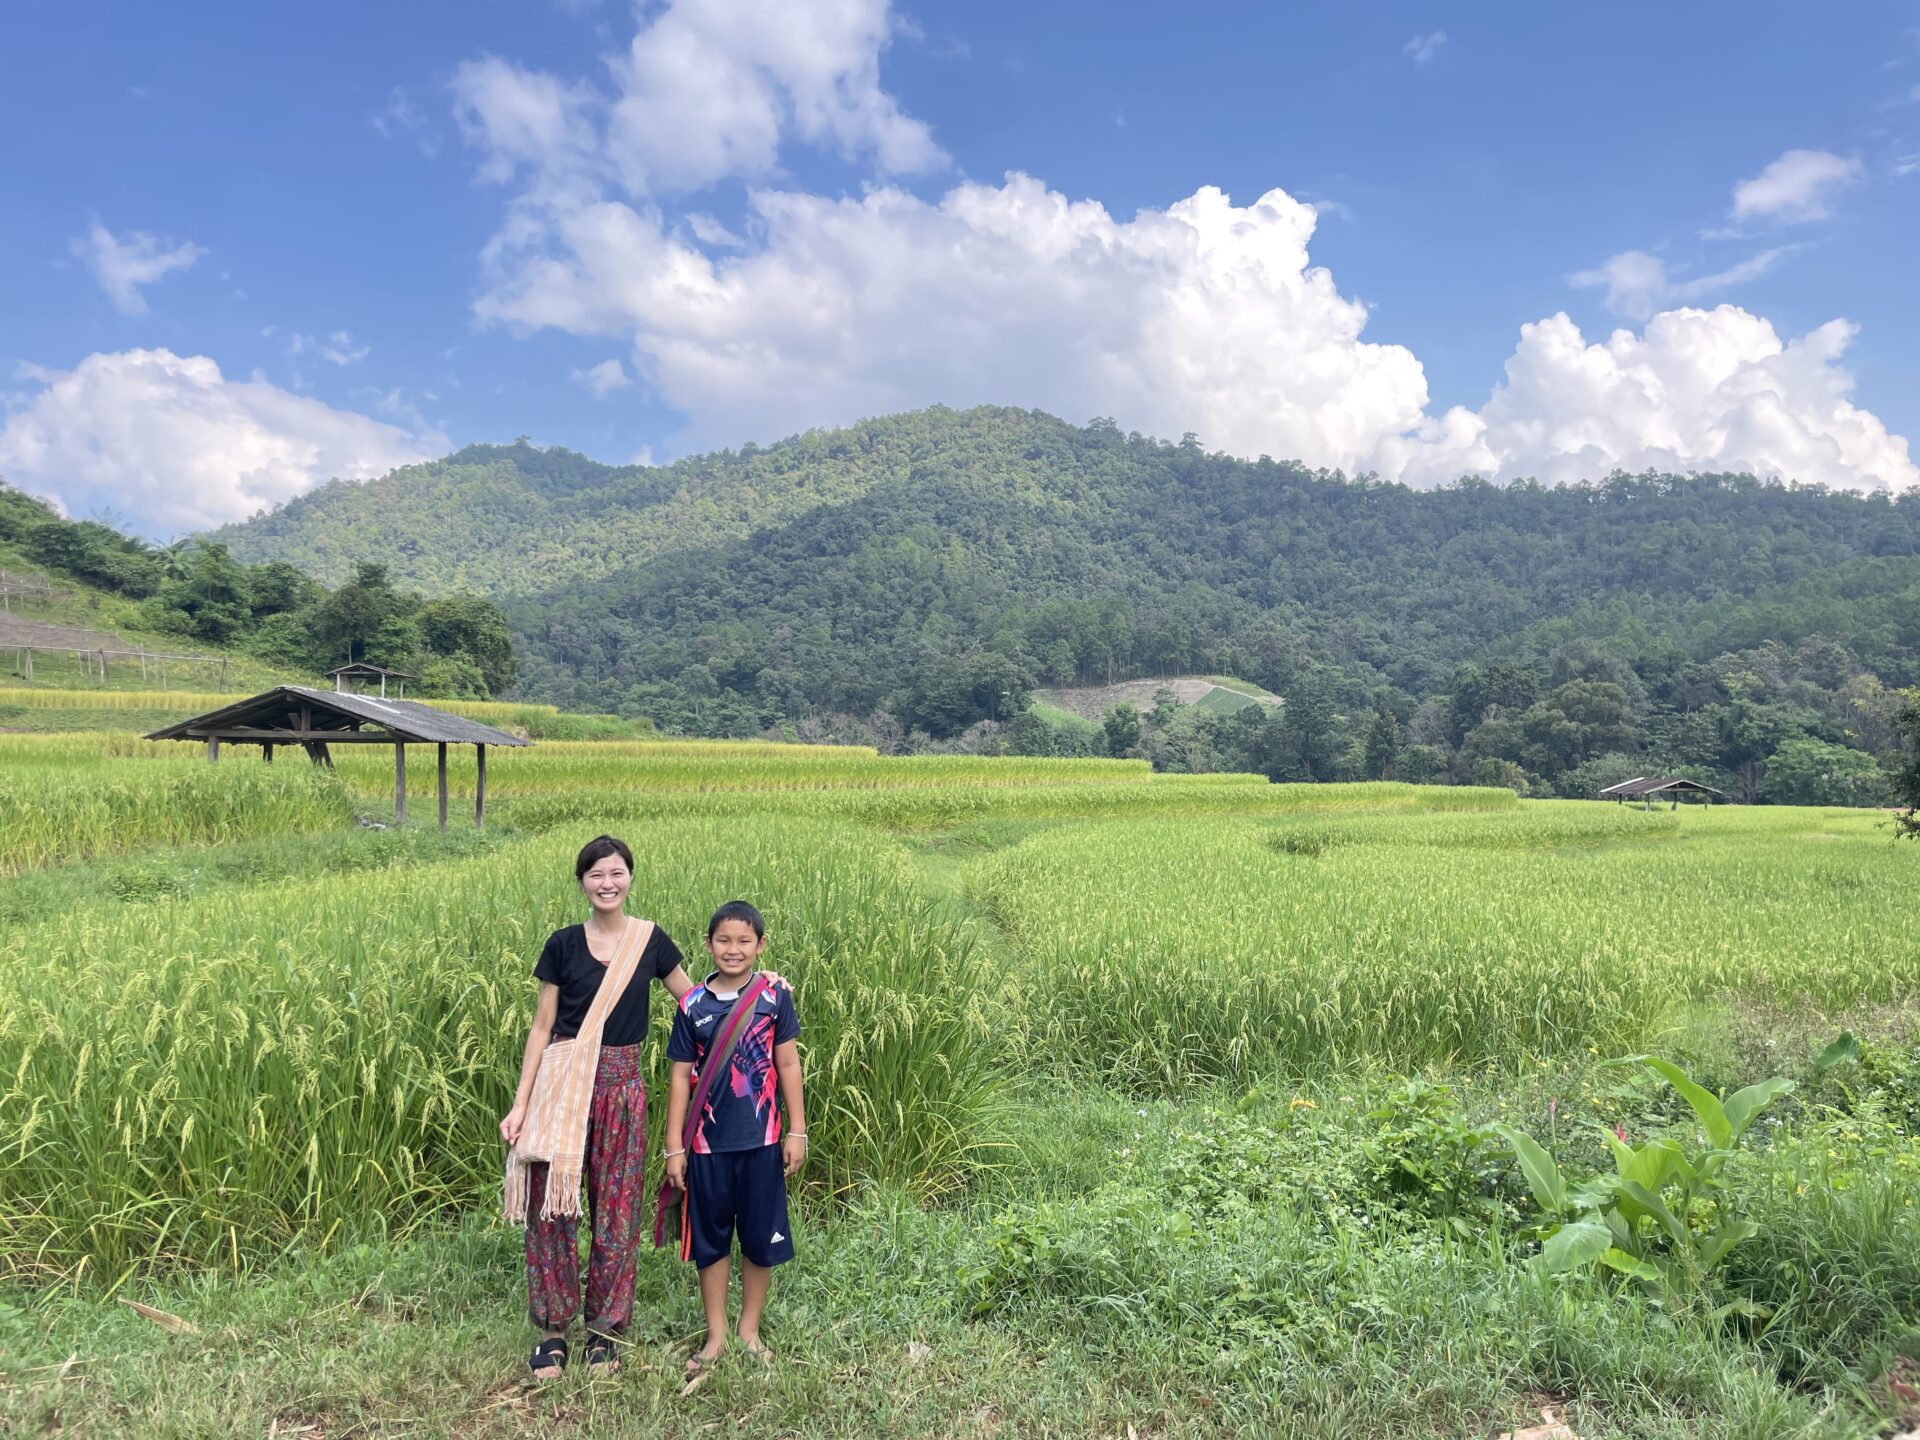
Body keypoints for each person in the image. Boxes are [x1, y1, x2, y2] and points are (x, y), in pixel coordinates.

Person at [501, 835, 692, 1380]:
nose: (607, 883)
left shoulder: (649, 942)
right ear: (582, 882)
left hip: (622, 1090)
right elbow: (542, 1027)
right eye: (595, 875)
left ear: (630, 877)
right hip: (561, 1090)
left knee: (618, 1213)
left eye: (616, 873)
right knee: (550, 1209)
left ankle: (605, 1332)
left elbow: (697, 1000)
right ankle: (553, 1330)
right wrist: (520, 1105)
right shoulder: (562, 944)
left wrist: (758, 987)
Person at [663, 900, 807, 1376]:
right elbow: (681, 1078)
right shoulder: (691, 1006)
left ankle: (749, 1330)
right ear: (708, 945)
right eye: (723, 940)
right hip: (705, 1147)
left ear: (760, 946)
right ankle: (717, 1334)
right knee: (712, 1241)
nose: (733, 949)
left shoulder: (772, 999)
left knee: (760, 1240)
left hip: (763, 1141)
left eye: (745, 940)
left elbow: (788, 1064)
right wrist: (674, 1147)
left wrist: (797, 1131)